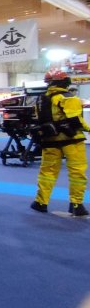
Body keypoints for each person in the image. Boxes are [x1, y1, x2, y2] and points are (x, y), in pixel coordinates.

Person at [30, 69, 90, 216]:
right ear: (65, 82)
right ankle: (76, 204)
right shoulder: (69, 98)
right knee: (77, 172)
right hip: (72, 140)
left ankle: (40, 202)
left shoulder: (41, 99)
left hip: (49, 140)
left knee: (47, 172)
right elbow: (76, 121)